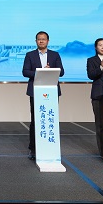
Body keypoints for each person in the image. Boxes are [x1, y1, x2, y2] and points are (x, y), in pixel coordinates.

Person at [22, 31, 64, 160]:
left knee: (50, 119)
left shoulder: (55, 55)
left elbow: (61, 72)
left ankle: (50, 147)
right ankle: (33, 149)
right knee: (35, 120)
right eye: (39, 39)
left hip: (51, 91)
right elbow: (25, 72)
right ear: (36, 41)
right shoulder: (30, 55)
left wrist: (50, 71)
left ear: (48, 41)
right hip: (35, 91)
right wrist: (40, 72)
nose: (41, 41)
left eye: (43, 39)